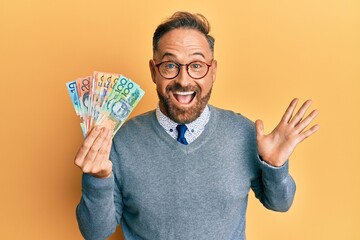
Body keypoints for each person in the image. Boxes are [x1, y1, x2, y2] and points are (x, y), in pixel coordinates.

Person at [74, 11, 320, 240]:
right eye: (170, 65)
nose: (184, 80)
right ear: (153, 71)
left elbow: (280, 203)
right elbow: (95, 232)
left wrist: (275, 167)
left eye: (197, 66)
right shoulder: (120, 140)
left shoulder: (243, 134)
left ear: (213, 71)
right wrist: (98, 178)